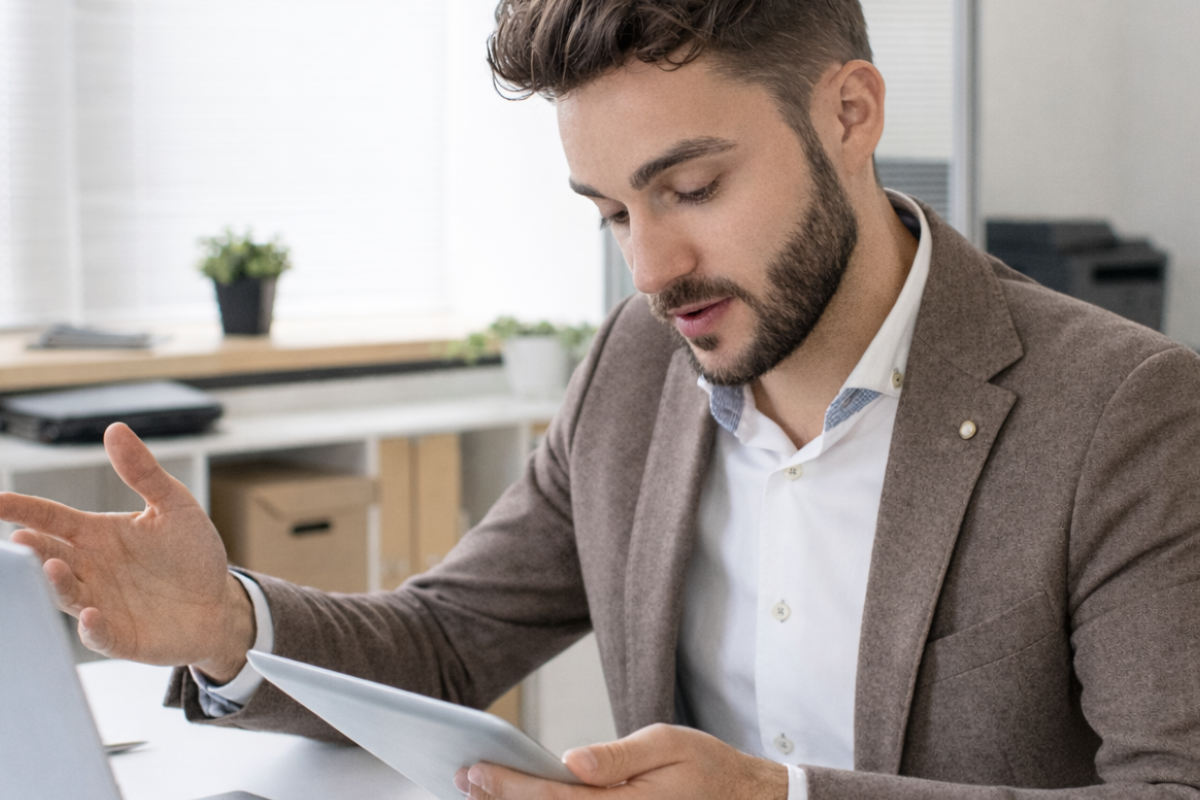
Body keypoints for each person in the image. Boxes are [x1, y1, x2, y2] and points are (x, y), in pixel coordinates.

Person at [4, 1, 1200, 798]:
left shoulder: (1126, 412)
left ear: (850, 113)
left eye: (693, 187)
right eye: (613, 212)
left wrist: (780, 797)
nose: (651, 270)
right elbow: (449, 637)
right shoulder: (637, 362)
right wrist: (230, 624)